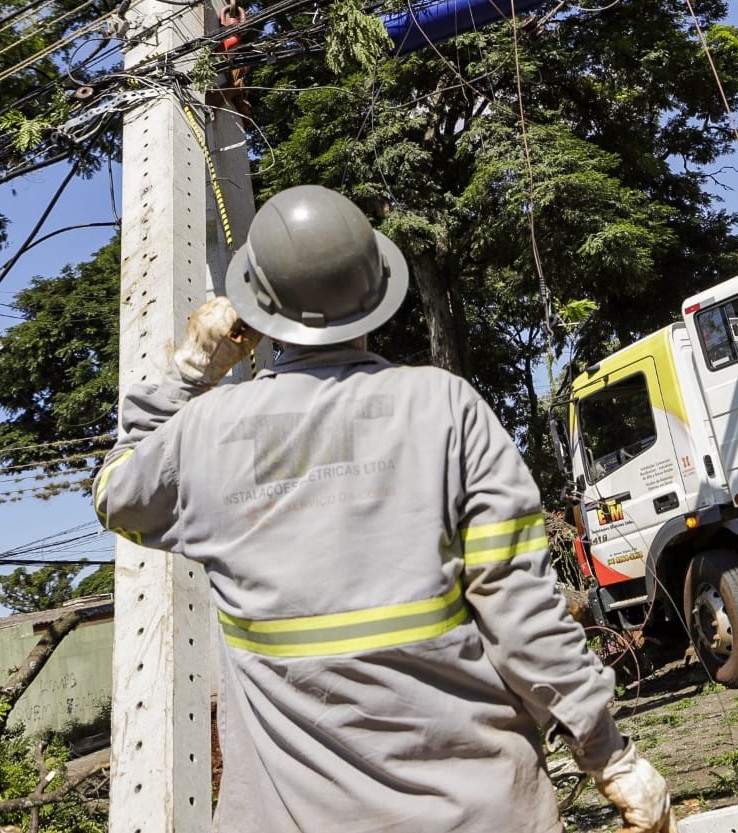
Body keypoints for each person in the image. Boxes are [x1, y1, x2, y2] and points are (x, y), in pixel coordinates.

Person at [93, 185, 677, 833]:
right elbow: (523, 616)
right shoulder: (447, 411)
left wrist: (193, 369)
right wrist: (610, 757)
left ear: (260, 313)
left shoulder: (207, 433)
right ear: (374, 296)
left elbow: (115, 494)